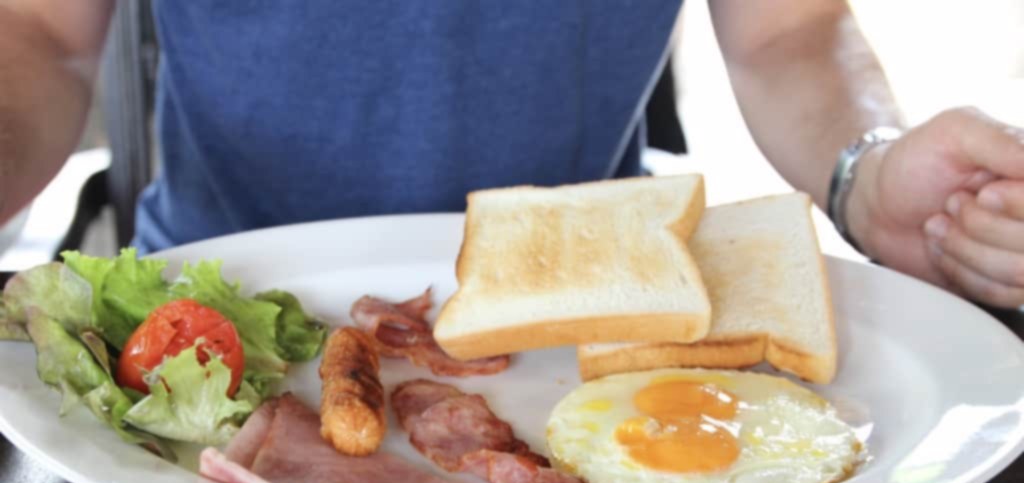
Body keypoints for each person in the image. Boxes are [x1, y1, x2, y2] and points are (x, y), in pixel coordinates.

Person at [1, 1, 1022, 307]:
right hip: (210, 319)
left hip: (591, 329)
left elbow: (786, 32)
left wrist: (865, 170)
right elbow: (39, 31)